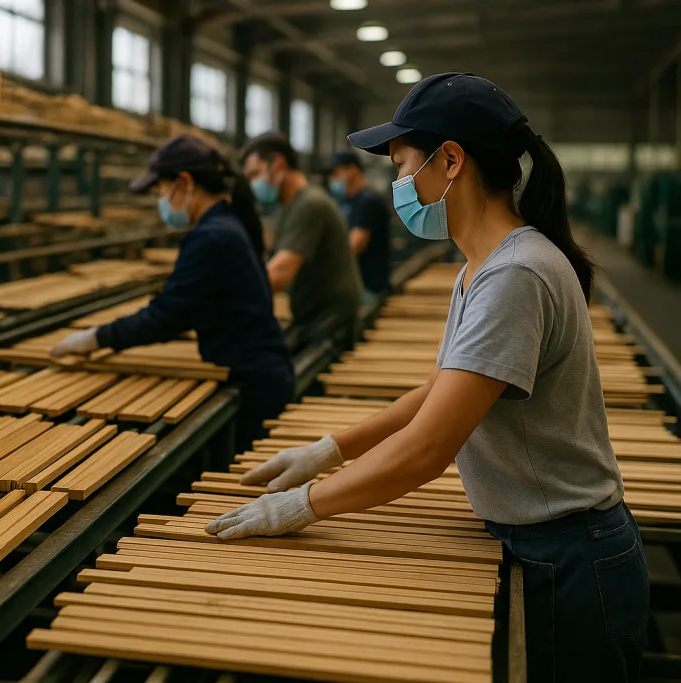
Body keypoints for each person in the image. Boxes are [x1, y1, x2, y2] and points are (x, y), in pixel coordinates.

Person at [206, 73, 648, 682]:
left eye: (402, 165)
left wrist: (301, 506)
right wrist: (329, 450)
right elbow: (443, 390)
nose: (397, 185)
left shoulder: (515, 274)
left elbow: (429, 449)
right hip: (537, 539)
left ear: (451, 161)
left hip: (572, 558)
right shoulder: (485, 266)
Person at [50, 135, 294, 451]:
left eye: (160, 190)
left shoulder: (212, 237)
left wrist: (95, 339)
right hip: (261, 370)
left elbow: (167, 316)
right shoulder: (226, 223)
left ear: (184, 182)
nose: (161, 200)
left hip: (253, 383)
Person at [240, 132, 362, 336]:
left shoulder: (309, 204)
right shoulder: (290, 205)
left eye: (255, 174)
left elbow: (280, 273)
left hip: (330, 323)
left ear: (277, 164)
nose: (253, 184)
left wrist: (226, 293)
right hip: (317, 316)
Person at [326, 150, 391, 303]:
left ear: (352, 170)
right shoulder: (345, 202)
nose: (332, 179)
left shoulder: (368, 202)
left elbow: (355, 245)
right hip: (351, 285)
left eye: (336, 172)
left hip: (367, 287)